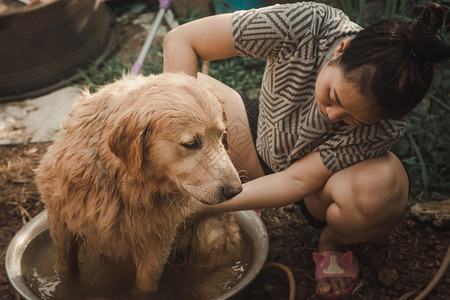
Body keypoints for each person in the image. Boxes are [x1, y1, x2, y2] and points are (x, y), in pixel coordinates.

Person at [163, 2, 450, 298]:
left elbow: (296, 180)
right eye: (334, 96)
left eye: (353, 119)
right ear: (342, 48)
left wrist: (201, 204)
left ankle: (334, 243)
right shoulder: (307, 24)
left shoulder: (385, 126)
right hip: (261, 137)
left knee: (379, 186)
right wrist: (184, 126)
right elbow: (182, 40)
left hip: (316, 190)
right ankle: (246, 188)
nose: (332, 114)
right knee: (167, 93)